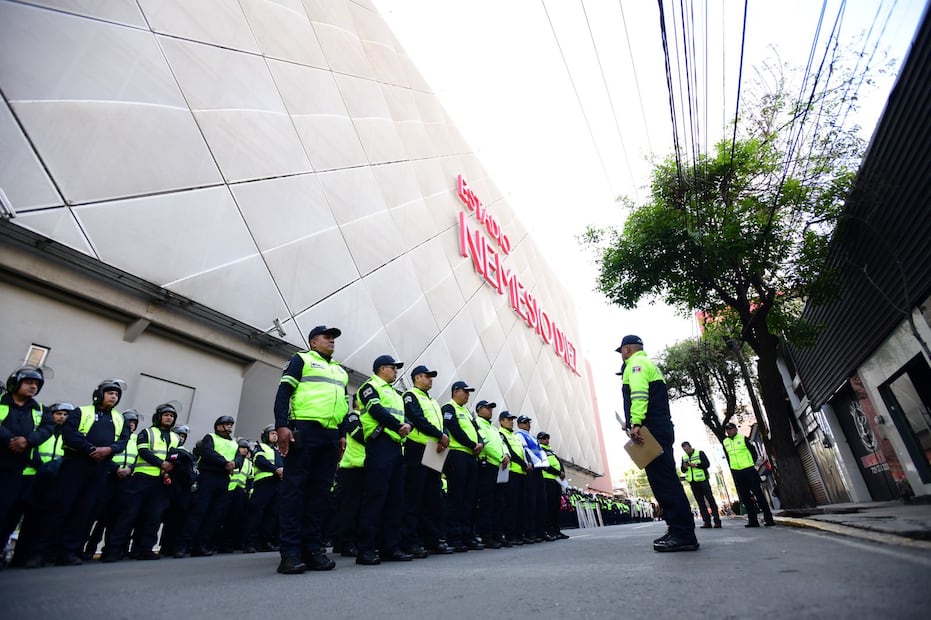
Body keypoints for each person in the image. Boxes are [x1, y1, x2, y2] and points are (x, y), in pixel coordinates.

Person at [274, 325, 348, 574]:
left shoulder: (339, 370)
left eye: (334, 338)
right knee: (295, 492)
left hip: (330, 436)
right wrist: (282, 425)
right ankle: (290, 553)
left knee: (319, 495)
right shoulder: (301, 360)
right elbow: (284, 392)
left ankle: (312, 549)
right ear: (313, 341)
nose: (332, 341)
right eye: (326, 337)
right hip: (304, 432)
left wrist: (341, 435)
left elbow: (343, 406)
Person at [33, 379, 131, 566]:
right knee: (60, 507)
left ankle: (69, 551)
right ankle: (43, 552)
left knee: (85, 510)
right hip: (75, 464)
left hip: (99, 469)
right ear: (100, 393)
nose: (114, 396)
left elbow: (123, 441)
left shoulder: (120, 419)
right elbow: (70, 434)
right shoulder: (81, 411)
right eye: (110, 392)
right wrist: (90, 448)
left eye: (117, 394)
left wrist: (109, 450)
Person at [618, 335, 698, 552]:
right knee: (663, 481)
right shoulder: (646, 363)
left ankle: (683, 533)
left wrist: (635, 423)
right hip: (656, 427)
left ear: (627, 349)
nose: (622, 356)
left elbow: (639, 395)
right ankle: (677, 528)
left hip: (650, 430)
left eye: (623, 352)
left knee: (665, 482)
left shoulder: (635, 365)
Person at [355, 355, 413, 566]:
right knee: (375, 497)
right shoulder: (369, 386)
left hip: (396, 446)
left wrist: (407, 426)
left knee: (395, 499)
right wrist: (399, 426)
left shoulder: (395, 394)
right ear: (381, 368)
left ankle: (390, 547)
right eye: (392, 368)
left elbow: (406, 418)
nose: (396, 371)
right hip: (379, 444)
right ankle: (366, 549)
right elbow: (376, 410)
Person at [105, 403, 179, 561]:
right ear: (158, 416)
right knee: (128, 515)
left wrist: (170, 468)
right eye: (166, 414)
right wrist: (162, 464)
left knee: (153, 517)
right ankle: (114, 550)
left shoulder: (175, 437)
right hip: (141, 479)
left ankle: (144, 549)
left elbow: (174, 456)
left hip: (161, 482)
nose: (169, 418)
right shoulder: (147, 432)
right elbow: (143, 451)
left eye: (172, 416)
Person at [0, 366, 53, 561]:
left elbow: (47, 429)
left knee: (7, 512)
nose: (33, 387)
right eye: (29, 383)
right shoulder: (1, 402)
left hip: (16, 468)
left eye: (36, 384)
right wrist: (10, 440)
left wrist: (28, 441)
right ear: (16, 383)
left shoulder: (39, 410)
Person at [12, 401, 70, 566]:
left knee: (45, 521)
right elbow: (32, 449)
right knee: (27, 519)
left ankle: (37, 556)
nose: (62, 417)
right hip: (33, 478)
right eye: (59, 414)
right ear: (52, 415)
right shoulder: (43, 432)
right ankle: (19, 556)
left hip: (56, 482)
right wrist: (43, 467)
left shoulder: (68, 435)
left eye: (66, 415)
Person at [400, 364, 450, 558]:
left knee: (432, 496)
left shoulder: (434, 401)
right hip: (418, 448)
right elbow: (417, 419)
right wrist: (439, 435)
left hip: (434, 450)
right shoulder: (411, 396)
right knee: (414, 496)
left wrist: (443, 436)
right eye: (427, 376)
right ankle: (411, 541)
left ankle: (431, 539)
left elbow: (441, 424)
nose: (430, 380)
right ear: (417, 377)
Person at [174, 415, 240, 557]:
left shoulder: (234, 443)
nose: (229, 427)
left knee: (215, 514)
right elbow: (207, 452)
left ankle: (201, 545)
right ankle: (183, 545)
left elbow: (239, 457)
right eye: (226, 424)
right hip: (208, 477)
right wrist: (225, 462)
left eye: (230, 425)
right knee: (198, 511)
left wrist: (234, 463)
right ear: (218, 426)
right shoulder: (210, 437)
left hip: (224, 479)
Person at [442, 380, 484, 552]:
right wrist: (472, 444)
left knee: (469, 498)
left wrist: (479, 443)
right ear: (455, 391)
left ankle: (468, 535)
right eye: (465, 392)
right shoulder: (448, 408)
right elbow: (454, 429)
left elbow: (477, 431)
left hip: (470, 457)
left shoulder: (466, 412)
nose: (468, 395)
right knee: (456, 497)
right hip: (457, 455)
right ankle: (454, 537)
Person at [723, 422, 775, 528]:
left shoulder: (743, 439)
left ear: (735, 429)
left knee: (758, 494)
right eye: (727, 429)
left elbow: (753, 452)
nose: (729, 431)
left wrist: (751, 463)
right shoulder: (725, 442)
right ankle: (753, 521)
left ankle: (768, 519)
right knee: (745, 498)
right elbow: (728, 456)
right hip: (737, 472)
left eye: (731, 429)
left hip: (749, 470)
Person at [473, 399, 508, 549]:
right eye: (487, 408)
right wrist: (501, 457)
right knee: (487, 502)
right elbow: (485, 444)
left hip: (500, 467)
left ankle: (496, 534)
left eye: (491, 408)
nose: (490, 411)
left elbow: (502, 444)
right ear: (479, 410)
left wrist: (507, 455)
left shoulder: (494, 428)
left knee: (498, 502)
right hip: (488, 466)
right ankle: (486, 536)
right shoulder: (478, 423)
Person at [332, 397, 364, 558]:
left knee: (359, 509)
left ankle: (354, 542)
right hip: (351, 467)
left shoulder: (365, 418)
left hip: (364, 468)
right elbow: (360, 435)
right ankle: (345, 543)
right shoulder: (354, 417)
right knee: (348, 509)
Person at [244, 424, 283, 554]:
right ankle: (250, 542)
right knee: (257, 513)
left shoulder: (278, 450)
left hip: (277, 483)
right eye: (272, 433)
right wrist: (275, 469)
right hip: (264, 483)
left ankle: (265, 542)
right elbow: (259, 460)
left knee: (272, 514)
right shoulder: (260, 447)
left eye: (276, 434)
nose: (275, 436)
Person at [515, 415, 548, 542]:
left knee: (541, 502)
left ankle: (541, 531)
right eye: (524, 422)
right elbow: (525, 452)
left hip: (539, 468)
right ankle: (530, 532)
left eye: (528, 422)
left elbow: (540, 451)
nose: (527, 424)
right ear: (519, 424)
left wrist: (544, 462)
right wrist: (534, 463)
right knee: (531, 502)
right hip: (531, 469)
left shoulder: (533, 438)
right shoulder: (519, 435)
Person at [498, 410, 528, 546]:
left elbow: (521, 452)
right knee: (511, 505)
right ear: (501, 421)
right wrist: (524, 464)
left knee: (520, 505)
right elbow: (510, 452)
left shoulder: (514, 436)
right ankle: (510, 534)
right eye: (508, 419)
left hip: (521, 473)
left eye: (511, 419)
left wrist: (526, 463)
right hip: (511, 473)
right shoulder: (501, 433)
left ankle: (518, 533)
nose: (511, 422)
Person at [680, 441, 721, 529]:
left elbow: (707, 464)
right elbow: (683, 470)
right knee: (700, 503)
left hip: (703, 480)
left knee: (710, 500)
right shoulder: (684, 457)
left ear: (690, 447)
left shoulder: (700, 453)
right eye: (684, 450)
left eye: (687, 449)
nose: (686, 451)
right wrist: (684, 467)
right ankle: (707, 522)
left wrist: (696, 465)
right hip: (693, 482)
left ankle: (717, 521)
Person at [538, 431, 570, 539]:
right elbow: (545, 465)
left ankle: (557, 530)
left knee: (556, 506)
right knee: (550, 507)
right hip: (547, 480)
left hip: (556, 481)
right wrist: (558, 472)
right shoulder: (540, 449)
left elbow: (558, 462)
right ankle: (550, 530)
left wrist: (562, 472)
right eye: (543, 438)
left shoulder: (551, 450)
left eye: (547, 438)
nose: (546, 440)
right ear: (539, 440)